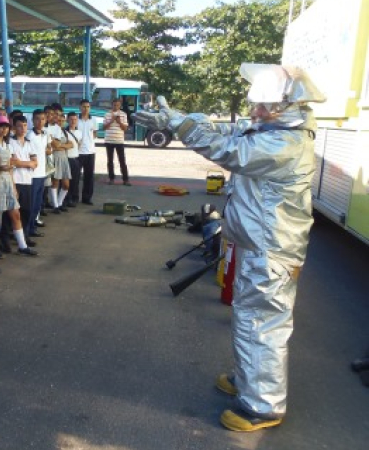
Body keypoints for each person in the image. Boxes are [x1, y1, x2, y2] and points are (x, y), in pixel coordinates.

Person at [134, 63, 325, 432]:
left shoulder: (284, 142)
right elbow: (224, 129)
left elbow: (227, 149)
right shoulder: (272, 129)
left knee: (262, 323)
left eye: (262, 106)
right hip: (260, 244)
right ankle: (250, 379)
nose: (253, 112)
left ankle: (263, 406)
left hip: (270, 250)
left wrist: (177, 124)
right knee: (250, 317)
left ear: (287, 108)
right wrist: (178, 118)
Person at [0, 115, 38, 257]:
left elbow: (11, 166)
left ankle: (22, 245)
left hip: (8, 181)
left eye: (6, 127)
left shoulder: (7, 144)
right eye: (1, 126)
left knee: (15, 213)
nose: (4, 129)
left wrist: (13, 186)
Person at [10, 115, 38, 249]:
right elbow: (13, 162)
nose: (23, 128)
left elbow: (35, 163)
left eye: (25, 125)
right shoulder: (10, 142)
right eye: (20, 126)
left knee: (27, 210)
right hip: (14, 181)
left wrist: (22, 163)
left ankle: (24, 235)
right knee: (12, 212)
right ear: (14, 127)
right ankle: (8, 237)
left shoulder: (29, 142)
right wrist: (28, 163)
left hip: (27, 180)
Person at [26, 109, 49, 237]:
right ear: (33, 120)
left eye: (43, 119)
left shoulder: (45, 135)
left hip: (42, 173)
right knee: (31, 204)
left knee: (37, 204)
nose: (40, 122)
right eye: (37, 119)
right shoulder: (30, 136)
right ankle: (27, 230)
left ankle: (33, 227)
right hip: (33, 175)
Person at [48, 110, 72, 213]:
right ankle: (55, 205)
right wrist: (62, 146)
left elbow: (71, 145)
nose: (60, 121)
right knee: (55, 182)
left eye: (62, 120)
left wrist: (61, 146)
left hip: (64, 158)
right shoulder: (51, 130)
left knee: (66, 184)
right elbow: (54, 146)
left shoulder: (64, 131)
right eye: (59, 119)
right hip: (55, 157)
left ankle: (59, 202)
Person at [104, 98, 130, 185]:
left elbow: (125, 128)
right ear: (112, 105)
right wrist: (111, 120)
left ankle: (125, 179)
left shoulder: (123, 114)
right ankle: (111, 178)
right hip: (109, 140)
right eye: (114, 105)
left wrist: (119, 122)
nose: (116, 106)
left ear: (120, 105)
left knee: (122, 161)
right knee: (110, 161)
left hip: (119, 141)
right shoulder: (107, 114)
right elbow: (104, 127)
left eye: (118, 105)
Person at [76, 99, 97, 205]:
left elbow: (95, 134)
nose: (86, 109)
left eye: (88, 107)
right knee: (75, 176)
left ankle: (87, 198)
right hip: (78, 152)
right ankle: (74, 198)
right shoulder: (76, 120)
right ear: (80, 107)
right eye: (84, 106)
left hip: (90, 152)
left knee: (89, 177)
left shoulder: (93, 120)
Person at [64, 112, 81, 207]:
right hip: (67, 159)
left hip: (76, 158)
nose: (73, 121)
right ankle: (66, 198)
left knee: (76, 180)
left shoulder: (79, 132)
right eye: (71, 119)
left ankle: (74, 198)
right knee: (67, 181)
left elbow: (79, 144)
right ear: (67, 120)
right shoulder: (64, 132)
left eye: (75, 119)